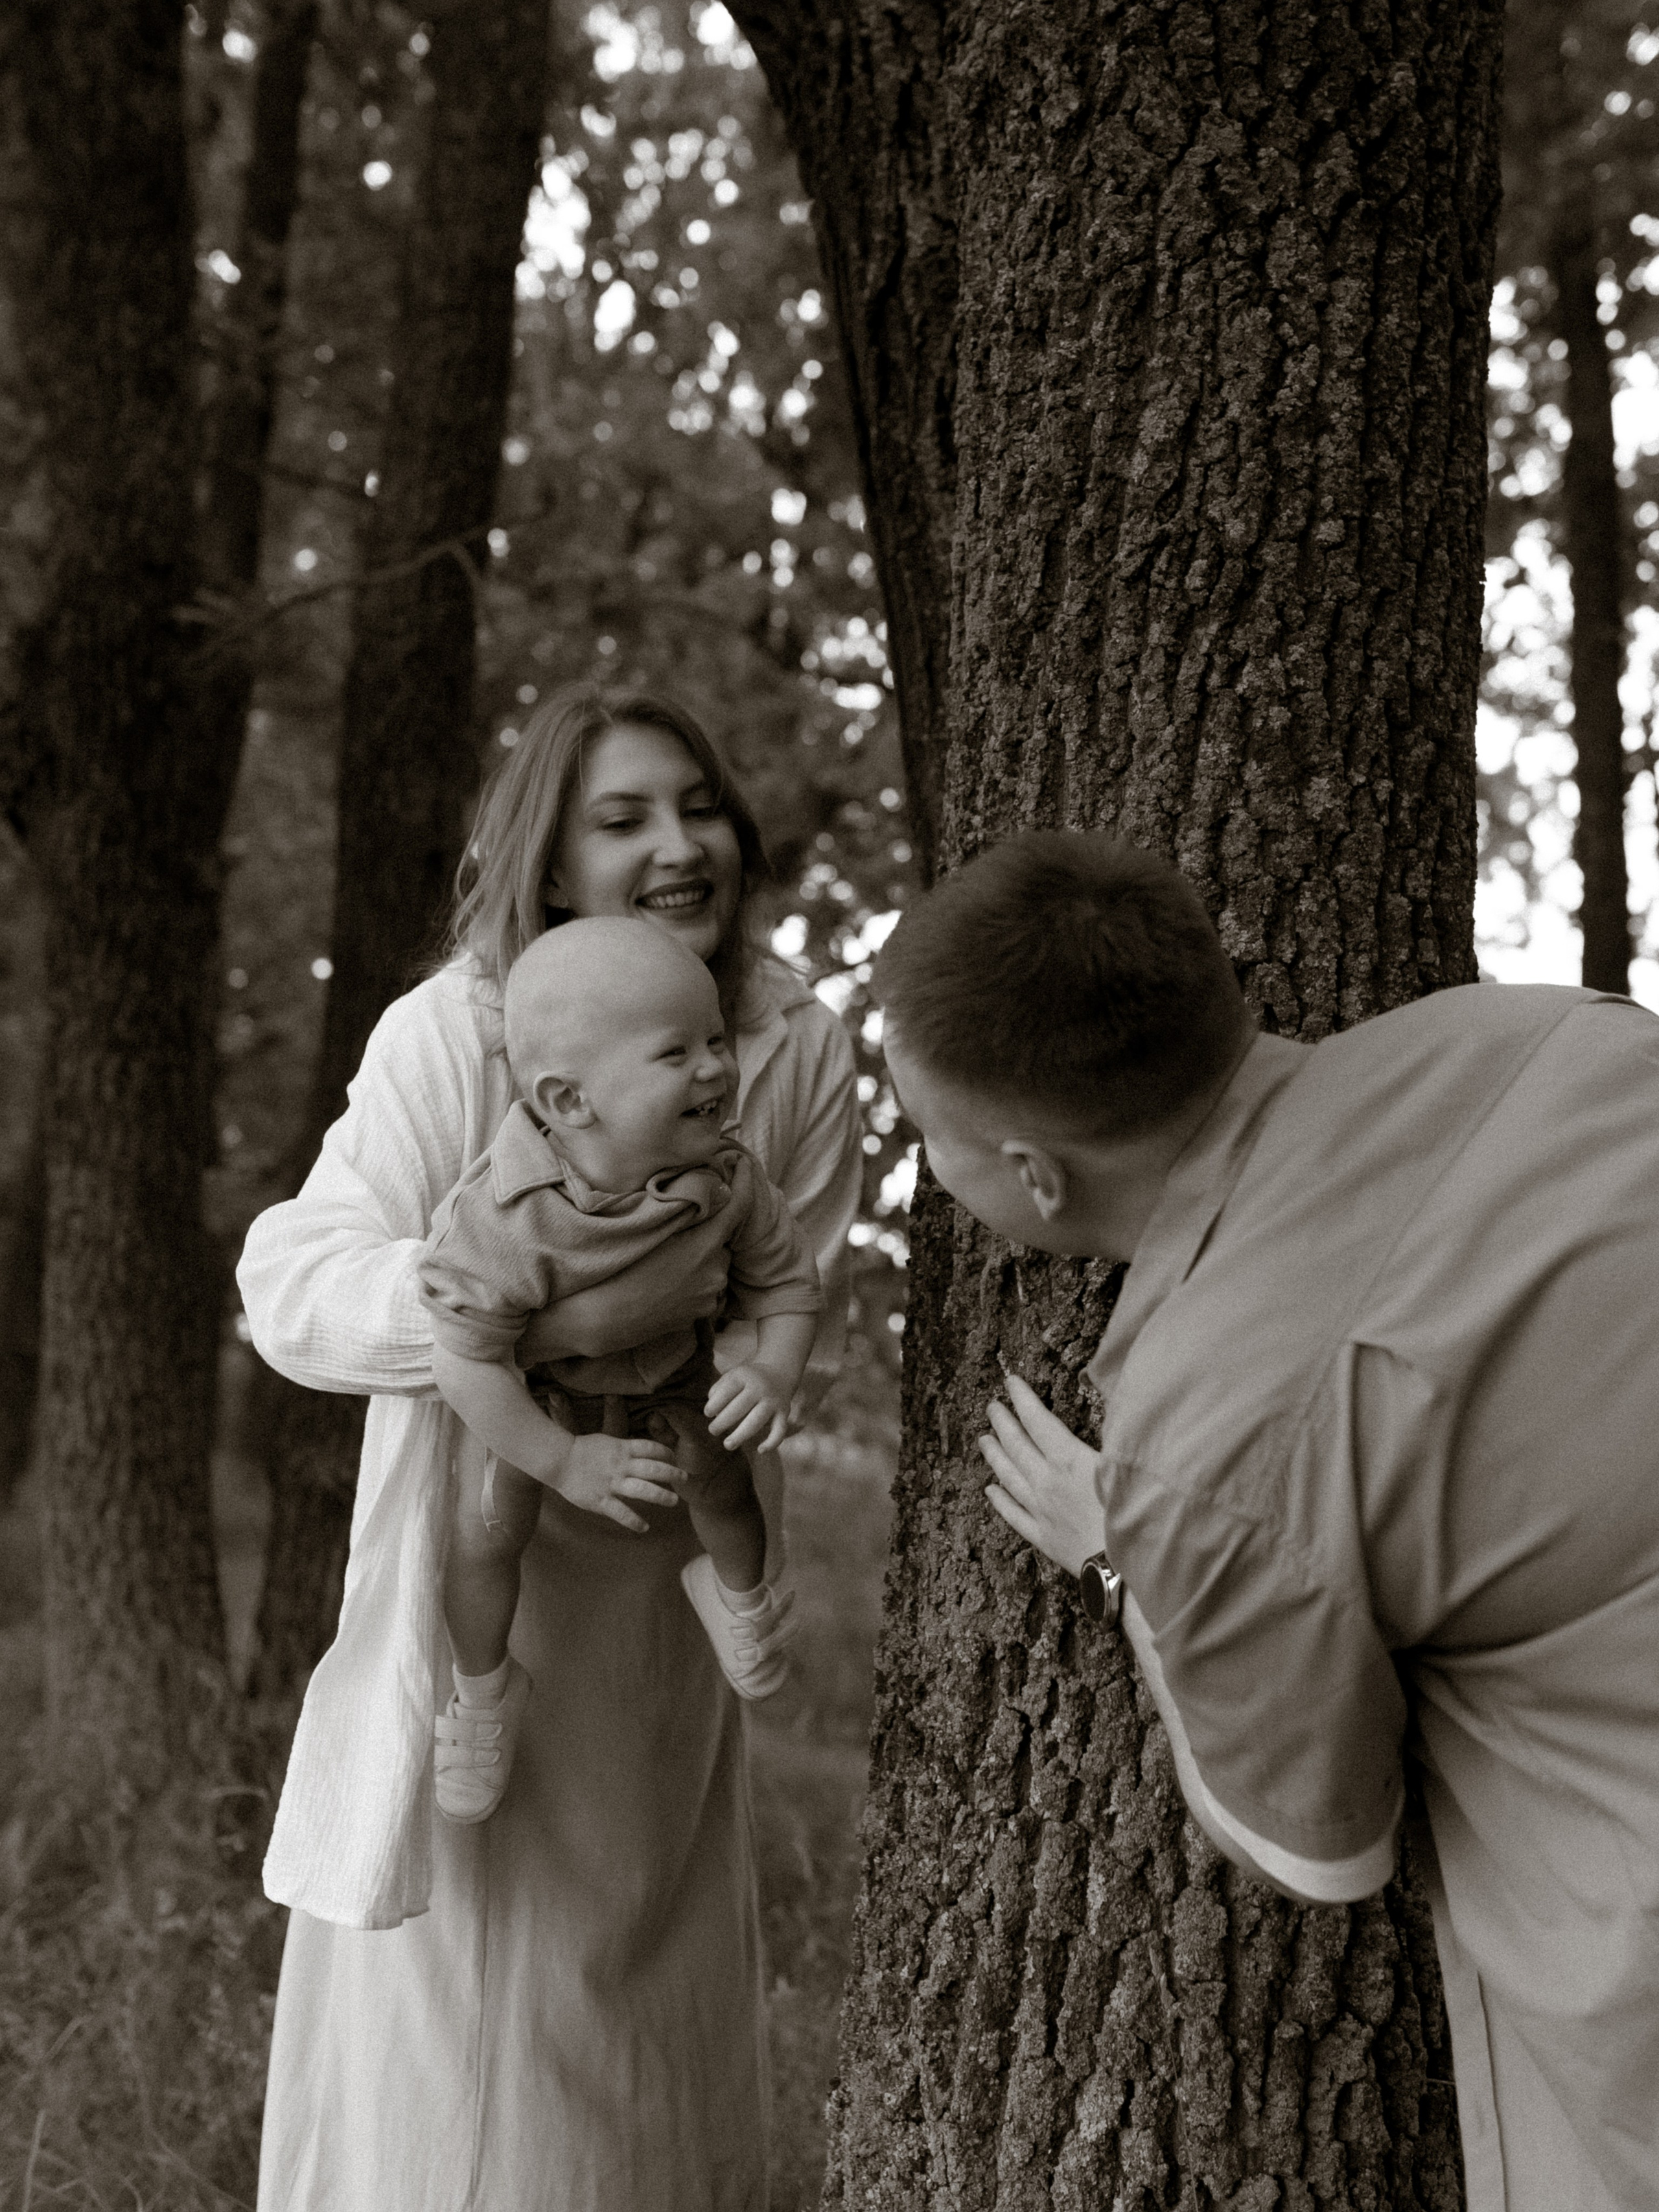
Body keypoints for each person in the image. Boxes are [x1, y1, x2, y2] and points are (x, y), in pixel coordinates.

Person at [873, 830, 1659, 2212]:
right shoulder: (1553, 1033)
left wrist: (1128, 1558)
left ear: (1032, 1175)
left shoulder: (1200, 1447)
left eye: (931, 1137)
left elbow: (1319, 1846)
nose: (931, 1169)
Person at [240, 689, 862, 2212]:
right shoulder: (459, 1029)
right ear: (549, 856)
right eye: (623, 815)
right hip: (486, 1577)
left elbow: (786, 1283)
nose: (677, 843)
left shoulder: (786, 1049)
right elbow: (290, 1284)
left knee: (641, 2012)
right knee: (467, 2041)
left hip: (670, 1591)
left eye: (697, 805)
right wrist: (512, 1331)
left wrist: (720, 1360)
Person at [422, 916, 821, 1823]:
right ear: (570, 1101)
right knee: (485, 1526)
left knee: (725, 1478)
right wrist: (562, 1460)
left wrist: (772, 1371)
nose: (717, 1068)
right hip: (537, 1401)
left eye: (718, 1039)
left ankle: (740, 1593)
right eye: (676, 1053)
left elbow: (789, 1286)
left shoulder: (727, 1175)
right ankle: (484, 1687)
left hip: (675, 1374)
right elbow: (467, 1361)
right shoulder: (504, 1213)